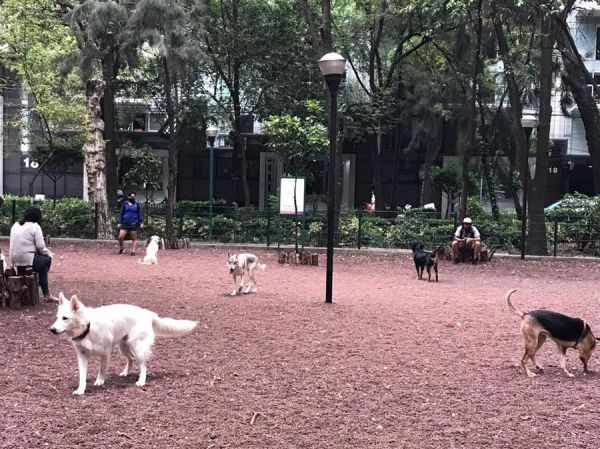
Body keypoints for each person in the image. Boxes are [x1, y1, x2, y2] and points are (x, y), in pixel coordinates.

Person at [9, 206, 55, 302]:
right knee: (46, 260)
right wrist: (49, 253)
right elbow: (40, 246)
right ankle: (46, 293)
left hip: (15, 259)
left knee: (41, 261)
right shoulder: (35, 226)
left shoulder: (15, 225)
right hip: (27, 259)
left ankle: (30, 283)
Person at [118, 191, 144, 256]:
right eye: (131, 196)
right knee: (121, 236)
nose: (132, 197)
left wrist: (141, 222)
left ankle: (133, 251)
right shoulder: (125, 204)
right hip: (125, 223)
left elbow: (140, 214)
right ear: (128, 196)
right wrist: (119, 222)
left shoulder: (137, 205)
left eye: (133, 196)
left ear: (135, 197)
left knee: (133, 238)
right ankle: (121, 248)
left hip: (134, 223)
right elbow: (121, 213)